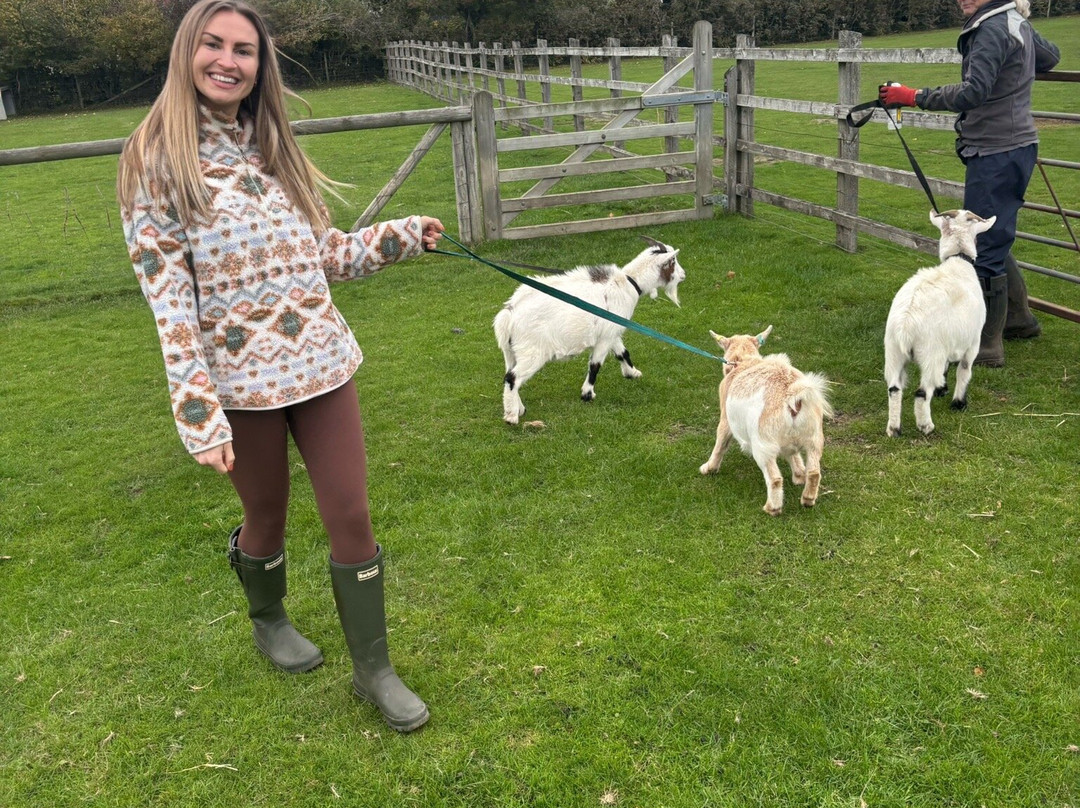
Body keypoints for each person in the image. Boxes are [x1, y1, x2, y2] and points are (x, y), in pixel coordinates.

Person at [116, 0, 445, 733]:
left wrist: (396, 238)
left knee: (351, 515)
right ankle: (268, 620)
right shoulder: (152, 160)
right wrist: (197, 407)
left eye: (245, 50)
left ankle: (374, 670)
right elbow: (168, 299)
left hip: (323, 365)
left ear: (260, 66)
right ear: (186, 51)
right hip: (240, 386)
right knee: (265, 516)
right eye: (213, 44)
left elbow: (320, 256)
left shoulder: (270, 146)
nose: (228, 61)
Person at [879, 0, 1059, 367]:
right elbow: (1049, 56)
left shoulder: (991, 28)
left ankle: (988, 344)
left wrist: (913, 97)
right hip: (1011, 144)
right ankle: (1020, 318)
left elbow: (973, 91)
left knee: (984, 240)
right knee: (992, 232)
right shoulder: (1010, 22)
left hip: (996, 147)